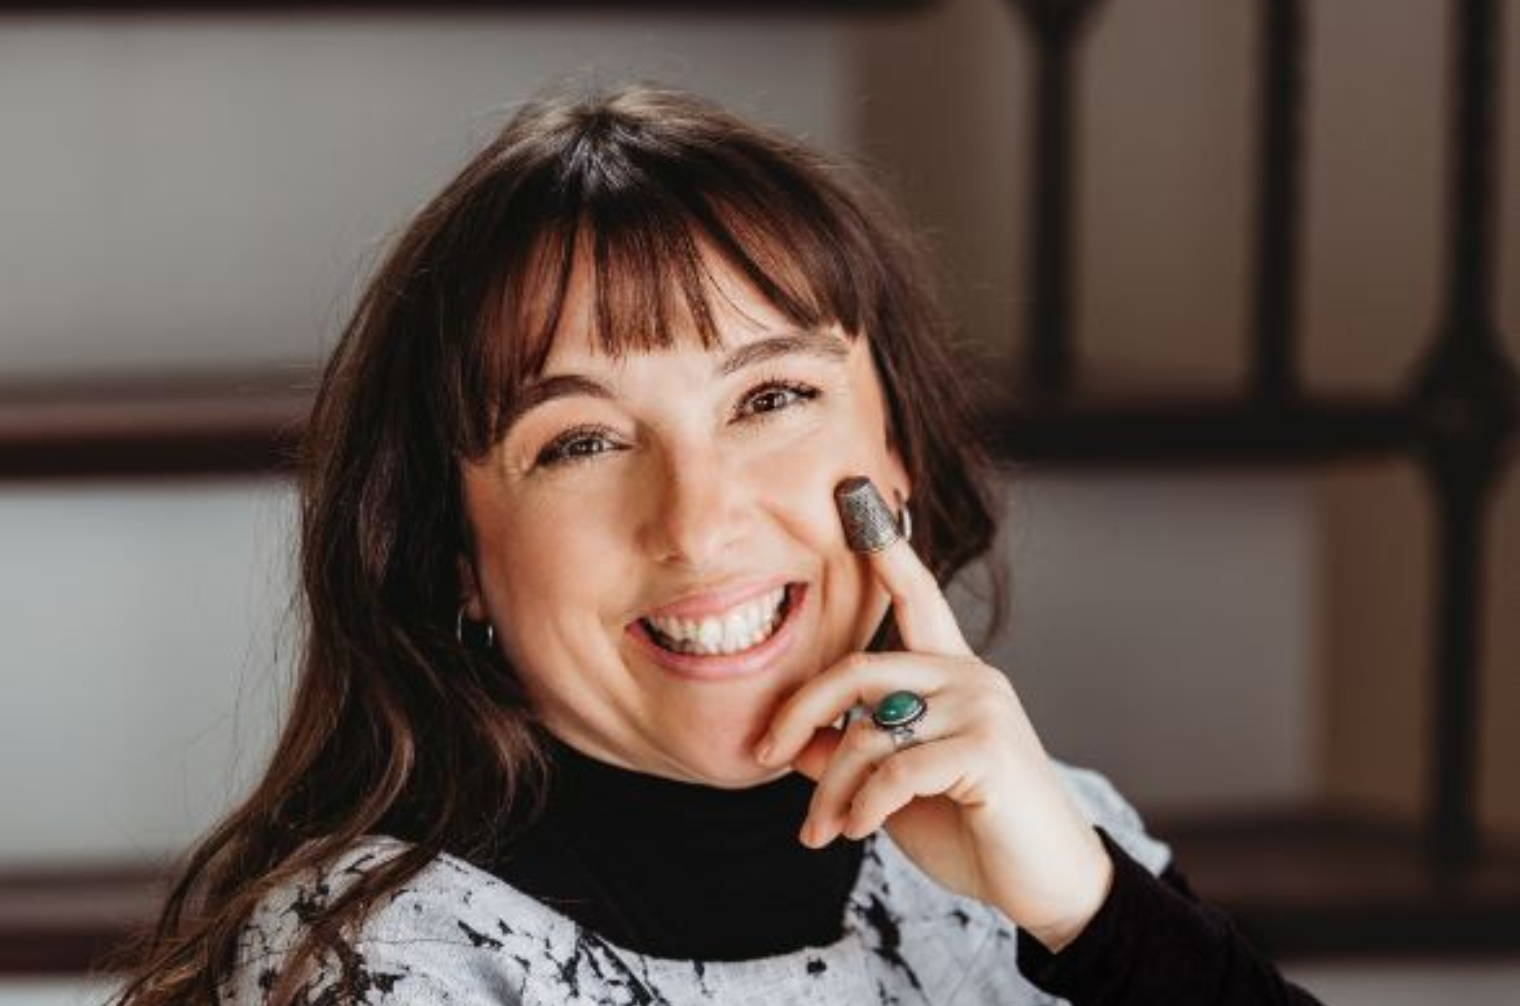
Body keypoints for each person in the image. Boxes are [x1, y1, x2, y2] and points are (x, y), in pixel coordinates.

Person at [107, 83, 1326, 1006]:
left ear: (896, 454)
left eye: (770, 398)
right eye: (580, 441)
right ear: (457, 556)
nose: (697, 522)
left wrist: (1094, 916)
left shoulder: (1044, 831)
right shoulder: (387, 963)